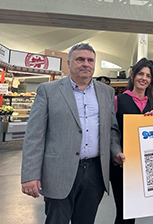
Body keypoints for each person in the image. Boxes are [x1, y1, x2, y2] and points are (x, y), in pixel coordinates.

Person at [21, 43, 125, 224]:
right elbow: (34, 135)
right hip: (58, 172)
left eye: (90, 60)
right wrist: (30, 174)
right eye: (80, 59)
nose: (86, 64)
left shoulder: (106, 92)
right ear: (69, 63)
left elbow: (111, 129)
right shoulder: (49, 91)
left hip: (95, 173)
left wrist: (115, 151)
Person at [111, 58, 153, 224]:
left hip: (145, 167)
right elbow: (113, 131)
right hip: (122, 165)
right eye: (140, 73)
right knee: (124, 211)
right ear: (132, 75)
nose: (144, 78)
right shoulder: (118, 101)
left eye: (148, 75)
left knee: (133, 211)